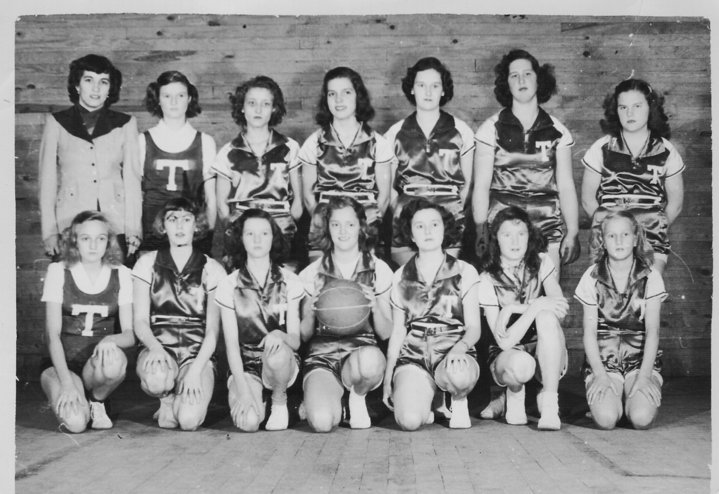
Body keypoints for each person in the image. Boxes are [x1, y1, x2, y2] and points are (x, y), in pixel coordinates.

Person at [473, 49, 579, 276]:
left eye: (528, 74)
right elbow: (481, 185)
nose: (522, 80)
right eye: (514, 75)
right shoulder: (490, 129)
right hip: (503, 228)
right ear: (507, 84)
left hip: (546, 228)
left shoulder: (558, 131)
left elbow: (566, 186)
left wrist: (572, 231)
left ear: (539, 80)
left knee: (547, 292)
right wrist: (481, 228)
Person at [383, 198, 480, 430]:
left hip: (452, 351)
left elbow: (474, 327)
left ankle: (457, 399)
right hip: (415, 354)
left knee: (459, 376)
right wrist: (387, 379)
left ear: (444, 229)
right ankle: (431, 399)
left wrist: (460, 348)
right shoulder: (400, 277)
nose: (428, 231)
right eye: (420, 226)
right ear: (411, 235)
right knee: (408, 421)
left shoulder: (464, 271)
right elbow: (398, 332)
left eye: (434, 224)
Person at [299, 197, 393, 432]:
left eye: (350, 224)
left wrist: (375, 307)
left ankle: (358, 396)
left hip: (361, 352)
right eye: (336, 224)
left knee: (370, 363)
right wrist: (309, 310)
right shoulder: (311, 273)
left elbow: (386, 332)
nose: (343, 231)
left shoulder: (379, 269)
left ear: (361, 227)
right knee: (321, 423)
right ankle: (339, 406)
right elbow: (304, 336)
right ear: (327, 228)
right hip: (322, 355)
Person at [132, 198, 226, 430]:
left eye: (187, 219)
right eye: (173, 219)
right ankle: (166, 400)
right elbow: (140, 320)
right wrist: (155, 348)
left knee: (188, 420)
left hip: (196, 354)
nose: (180, 226)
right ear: (163, 226)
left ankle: (180, 400)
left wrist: (196, 371)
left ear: (197, 225)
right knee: (156, 379)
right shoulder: (147, 263)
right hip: (160, 348)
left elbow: (213, 332)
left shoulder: (212, 269)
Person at [39, 54, 142, 260]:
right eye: (89, 80)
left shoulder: (126, 123)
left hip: (116, 221)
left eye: (103, 82)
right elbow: (47, 180)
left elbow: (132, 179)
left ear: (110, 89)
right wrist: (49, 232)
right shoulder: (56, 122)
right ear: (77, 86)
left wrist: (133, 230)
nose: (96, 89)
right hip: (70, 221)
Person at [39, 211, 135, 432]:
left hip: (95, 365)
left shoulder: (121, 273)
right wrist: (66, 384)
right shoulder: (58, 271)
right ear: (74, 240)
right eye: (85, 238)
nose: (93, 245)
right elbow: (52, 335)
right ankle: (78, 398)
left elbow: (130, 334)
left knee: (115, 362)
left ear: (108, 241)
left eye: (100, 238)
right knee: (75, 424)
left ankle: (97, 401)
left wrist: (110, 340)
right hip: (61, 365)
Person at [477, 206, 568, 430]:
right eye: (507, 235)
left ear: (530, 235)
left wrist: (513, 309)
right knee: (520, 364)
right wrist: (534, 306)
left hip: (545, 351)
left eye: (521, 234)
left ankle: (550, 404)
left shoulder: (542, 261)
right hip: (508, 356)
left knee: (547, 317)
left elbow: (560, 308)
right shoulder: (487, 278)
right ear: (496, 239)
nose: (515, 241)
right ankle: (514, 393)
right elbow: (504, 341)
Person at [581, 78, 684, 275]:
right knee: (608, 287)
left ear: (650, 108)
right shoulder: (602, 147)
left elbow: (676, 204)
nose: (630, 113)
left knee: (649, 285)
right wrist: (608, 227)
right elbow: (587, 200)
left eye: (637, 106)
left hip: (651, 233)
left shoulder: (666, 149)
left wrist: (655, 225)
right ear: (616, 110)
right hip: (610, 234)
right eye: (623, 107)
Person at [575, 211, 666, 430]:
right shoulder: (591, 276)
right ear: (603, 241)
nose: (619, 241)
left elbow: (653, 332)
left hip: (639, 361)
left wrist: (644, 377)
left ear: (635, 239)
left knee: (641, 419)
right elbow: (589, 333)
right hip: (604, 361)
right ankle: (611, 400)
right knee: (606, 420)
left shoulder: (651, 276)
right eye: (611, 236)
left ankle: (632, 399)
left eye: (625, 234)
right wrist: (600, 375)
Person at [215, 209, 304, 431]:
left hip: (279, 361)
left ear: (273, 238)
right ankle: (259, 399)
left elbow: (295, 341)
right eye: (250, 234)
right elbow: (231, 346)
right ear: (240, 238)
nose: (257, 240)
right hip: (245, 365)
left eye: (264, 233)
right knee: (249, 423)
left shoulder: (290, 281)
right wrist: (243, 392)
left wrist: (279, 334)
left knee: (277, 354)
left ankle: (279, 400)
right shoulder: (229, 284)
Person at [384, 57, 475, 265]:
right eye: (421, 85)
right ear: (412, 89)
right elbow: (388, 187)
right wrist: (399, 209)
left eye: (435, 86)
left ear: (443, 90)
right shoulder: (395, 133)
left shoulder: (462, 131)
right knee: (410, 276)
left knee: (445, 275)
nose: (428, 92)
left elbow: (468, 184)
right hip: (408, 213)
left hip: (449, 212)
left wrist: (456, 209)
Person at [298, 66, 394, 262]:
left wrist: (366, 222)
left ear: (358, 96)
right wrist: (323, 223)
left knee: (364, 273)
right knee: (322, 275)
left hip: (365, 219)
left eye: (346, 92)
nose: (339, 100)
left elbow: (384, 197)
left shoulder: (378, 142)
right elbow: (308, 197)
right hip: (325, 219)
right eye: (332, 94)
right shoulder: (314, 142)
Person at [214, 75, 301, 266]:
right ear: (242, 107)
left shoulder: (290, 147)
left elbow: (298, 204)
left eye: (266, 104)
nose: (258, 110)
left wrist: (285, 224)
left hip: (280, 227)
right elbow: (222, 206)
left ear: (274, 108)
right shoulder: (228, 151)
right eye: (252, 103)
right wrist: (236, 230)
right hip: (242, 227)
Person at [139, 70, 217, 255]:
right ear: (158, 99)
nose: (173, 102)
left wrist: (207, 235)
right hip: (152, 234)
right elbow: (136, 195)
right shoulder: (142, 140)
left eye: (180, 95)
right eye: (167, 96)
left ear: (189, 99)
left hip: (191, 234)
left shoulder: (205, 141)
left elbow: (211, 199)